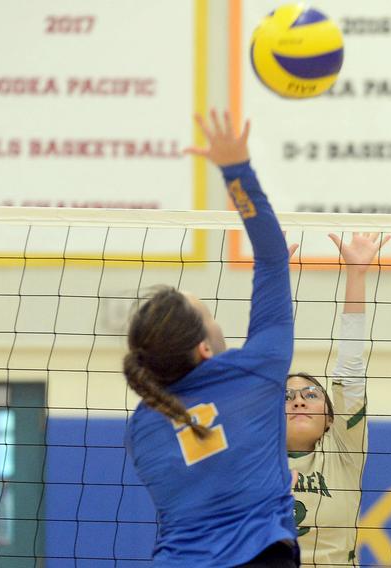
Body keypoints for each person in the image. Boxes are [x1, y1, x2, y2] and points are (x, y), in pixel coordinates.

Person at [123, 110, 298, 567]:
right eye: (209, 314)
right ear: (204, 347)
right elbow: (273, 257)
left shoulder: (143, 426)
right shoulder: (256, 370)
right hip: (261, 557)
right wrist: (236, 169)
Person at [286, 231, 389, 567]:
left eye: (311, 394)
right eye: (286, 397)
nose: (298, 401)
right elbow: (259, 362)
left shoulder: (343, 452)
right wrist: (271, 278)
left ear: (331, 418)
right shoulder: (253, 456)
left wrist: (356, 276)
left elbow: (350, 368)